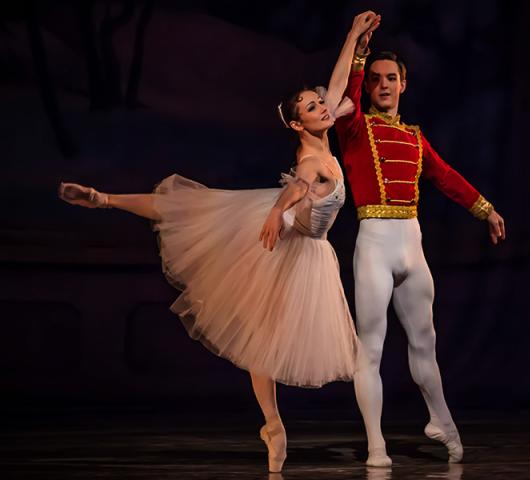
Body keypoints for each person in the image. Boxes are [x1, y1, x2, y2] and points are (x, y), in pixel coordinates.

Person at [57, 11, 381, 473]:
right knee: (189, 215)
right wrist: (275, 209)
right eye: (311, 107)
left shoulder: (325, 127)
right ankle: (103, 198)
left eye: (319, 103)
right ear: (296, 125)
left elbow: (337, 87)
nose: (323, 107)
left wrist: (353, 35)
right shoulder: (315, 160)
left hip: (302, 239)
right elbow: (301, 185)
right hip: (284, 233)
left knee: (260, 335)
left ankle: (271, 425)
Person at [334, 36, 506, 466]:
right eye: (375, 80)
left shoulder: (414, 139)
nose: (383, 85)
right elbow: (347, 93)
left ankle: (440, 420)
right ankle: (376, 444)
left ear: (404, 84)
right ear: (368, 88)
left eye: (391, 78)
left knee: (425, 342)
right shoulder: (355, 128)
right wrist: (357, 45)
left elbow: (445, 175)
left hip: (412, 247)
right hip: (374, 245)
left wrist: (485, 210)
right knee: (370, 348)